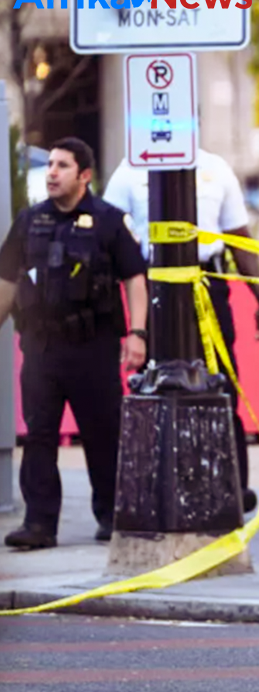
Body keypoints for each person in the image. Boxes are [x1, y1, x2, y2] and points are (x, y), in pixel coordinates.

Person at [102, 148, 259, 514]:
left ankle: (232, 486)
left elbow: (238, 237)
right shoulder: (131, 167)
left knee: (222, 381)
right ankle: (160, 484)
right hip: (156, 285)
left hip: (207, 283)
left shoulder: (215, 166)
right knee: (157, 385)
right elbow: (108, 231)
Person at [0, 137, 148, 549]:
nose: (51, 172)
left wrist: (137, 333)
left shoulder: (108, 221)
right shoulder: (30, 221)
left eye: (62, 166)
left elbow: (135, 277)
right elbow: (7, 280)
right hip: (42, 347)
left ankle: (111, 515)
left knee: (103, 433)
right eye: (49, 164)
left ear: (84, 175)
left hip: (93, 347)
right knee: (40, 435)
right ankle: (39, 524)